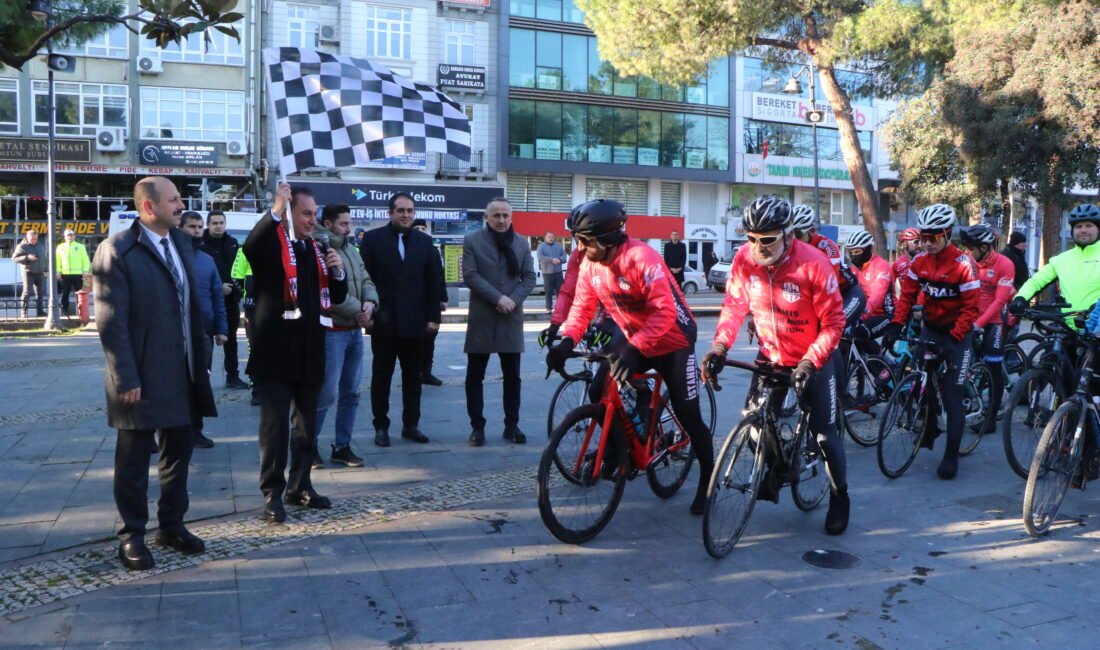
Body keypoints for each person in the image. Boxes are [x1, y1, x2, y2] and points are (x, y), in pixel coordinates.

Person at [546, 199, 713, 515]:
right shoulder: (591, 264)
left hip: (673, 338)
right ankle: (618, 450)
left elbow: (664, 312)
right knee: (599, 390)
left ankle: (707, 479)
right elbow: (582, 308)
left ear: (606, 240)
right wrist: (566, 341)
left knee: (688, 414)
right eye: (576, 240)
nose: (578, 248)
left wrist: (634, 349)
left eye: (584, 241)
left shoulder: (641, 258)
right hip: (635, 335)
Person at [701, 195, 849, 535]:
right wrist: (720, 346)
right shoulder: (744, 258)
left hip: (813, 358)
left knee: (824, 436)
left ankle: (840, 496)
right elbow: (734, 306)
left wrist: (811, 361)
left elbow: (833, 323)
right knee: (754, 426)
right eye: (751, 238)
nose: (757, 247)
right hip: (771, 355)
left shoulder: (813, 263)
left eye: (767, 239)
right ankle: (779, 465)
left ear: (788, 234)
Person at [92, 176, 217, 570]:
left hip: (182, 371)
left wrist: (201, 359)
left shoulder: (181, 242)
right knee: (133, 461)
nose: (181, 205)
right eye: (174, 199)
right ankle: (132, 535)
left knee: (178, 453)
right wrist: (125, 378)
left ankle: (171, 525)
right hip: (140, 376)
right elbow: (111, 321)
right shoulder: (118, 249)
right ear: (149, 206)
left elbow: (189, 308)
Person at [244, 183, 348, 523]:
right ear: (289, 214)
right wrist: (276, 208)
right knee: (274, 430)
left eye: (314, 214)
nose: (312, 220)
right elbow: (251, 246)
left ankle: (300, 485)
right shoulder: (273, 244)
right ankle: (272, 493)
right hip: (276, 353)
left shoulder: (316, 249)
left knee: (306, 426)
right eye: (305, 213)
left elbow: (337, 295)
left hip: (310, 350)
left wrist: (338, 271)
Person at [882, 204, 981, 480]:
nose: (926, 243)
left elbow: (972, 309)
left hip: (958, 332)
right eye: (923, 237)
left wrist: (955, 338)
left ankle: (951, 455)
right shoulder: (919, 262)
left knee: (952, 394)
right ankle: (929, 423)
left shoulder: (965, 265)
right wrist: (896, 324)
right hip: (931, 328)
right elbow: (907, 296)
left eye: (933, 238)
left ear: (948, 235)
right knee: (919, 380)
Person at [360, 193, 442, 447]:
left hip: (415, 323)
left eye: (410, 211)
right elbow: (365, 279)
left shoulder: (425, 242)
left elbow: (433, 281)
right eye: (401, 210)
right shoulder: (372, 239)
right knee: (381, 377)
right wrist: (367, 314)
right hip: (383, 321)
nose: (406, 215)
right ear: (390, 213)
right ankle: (381, 426)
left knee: (413, 377)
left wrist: (433, 318)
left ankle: (411, 425)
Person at [463, 198, 537, 446]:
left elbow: (529, 277)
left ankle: (511, 425)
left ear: (511, 217)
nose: (501, 220)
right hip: (482, 317)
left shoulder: (522, 242)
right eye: (496, 215)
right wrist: (498, 298)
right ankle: (477, 427)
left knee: (513, 377)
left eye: (505, 215)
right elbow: (470, 275)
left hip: (510, 317)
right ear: (486, 217)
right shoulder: (472, 240)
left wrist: (512, 300)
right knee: (475, 375)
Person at [313, 203, 378, 468]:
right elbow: (327, 292)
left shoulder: (351, 249)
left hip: (353, 332)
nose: (349, 228)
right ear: (328, 224)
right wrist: (359, 312)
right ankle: (308, 445)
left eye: (349, 223)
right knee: (325, 393)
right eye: (344, 224)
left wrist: (370, 303)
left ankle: (342, 446)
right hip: (332, 332)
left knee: (351, 392)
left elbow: (365, 280)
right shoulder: (319, 248)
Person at [959, 224, 1015, 429]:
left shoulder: (1005, 264)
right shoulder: (967, 261)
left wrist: (978, 324)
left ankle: (990, 418)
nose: (967, 252)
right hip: (970, 317)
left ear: (984, 247)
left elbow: (1000, 301)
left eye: (971, 248)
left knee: (993, 367)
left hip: (994, 320)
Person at [181, 211, 227, 449]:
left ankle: (195, 430)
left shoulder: (207, 260)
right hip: (176, 333)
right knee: (174, 384)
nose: (197, 231)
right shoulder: (172, 256)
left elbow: (217, 296)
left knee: (200, 383)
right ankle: (165, 431)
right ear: (180, 229)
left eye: (200, 227)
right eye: (192, 226)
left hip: (204, 333)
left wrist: (221, 328)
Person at [1010, 204, 1100, 323]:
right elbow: (1036, 281)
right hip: (1067, 328)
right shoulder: (1061, 260)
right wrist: (1020, 298)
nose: (1083, 230)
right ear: (1072, 230)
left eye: (1089, 226)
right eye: (1079, 226)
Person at [201, 210, 248, 389]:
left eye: (221, 223)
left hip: (230, 300)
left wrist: (237, 290)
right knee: (206, 341)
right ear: (208, 225)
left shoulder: (232, 243)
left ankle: (233, 376)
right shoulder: (200, 243)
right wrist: (218, 288)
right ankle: (204, 378)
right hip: (208, 299)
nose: (218, 226)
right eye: (215, 223)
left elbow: (238, 270)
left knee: (231, 339)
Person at [412, 219, 447, 387]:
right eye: (417, 228)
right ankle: (414, 372)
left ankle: (426, 372)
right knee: (414, 340)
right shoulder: (406, 248)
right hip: (413, 302)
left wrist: (443, 298)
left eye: (422, 228)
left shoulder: (432, 250)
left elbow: (440, 275)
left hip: (431, 301)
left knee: (430, 337)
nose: (420, 230)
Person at [846, 229, 894, 338]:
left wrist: (862, 314)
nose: (853, 256)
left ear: (868, 249)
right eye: (850, 252)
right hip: (866, 313)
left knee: (860, 333)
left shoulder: (881, 266)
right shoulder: (854, 268)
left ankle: (878, 351)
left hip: (886, 314)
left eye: (857, 252)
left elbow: (877, 295)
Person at [230, 246, 260, 405]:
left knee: (255, 348)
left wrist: (247, 295)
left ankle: (259, 389)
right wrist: (246, 294)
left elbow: (236, 278)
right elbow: (236, 277)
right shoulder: (245, 250)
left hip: (255, 305)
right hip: (257, 306)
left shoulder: (245, 249)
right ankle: (259, 389)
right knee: (257, 347)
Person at [56, 228, 90, 316]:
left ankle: (81, 312)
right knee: (65, 293)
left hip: (78, 274)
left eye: (71, 235)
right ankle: (65, 312)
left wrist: (85, 271)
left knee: (79, 294)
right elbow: (57, 261)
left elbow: (85, 260)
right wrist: (58, 272)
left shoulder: (80, 246)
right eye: (68, 236)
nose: (69, 237)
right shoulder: (60, 247)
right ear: (64, 237)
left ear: (74, 236)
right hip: (65, 274)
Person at [13, 230, 47, 318]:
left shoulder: (39, 246)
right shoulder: (22, 246)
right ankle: (24, 312)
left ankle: (40, 311)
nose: (34, 241)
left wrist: (46, 270)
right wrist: (27, 258)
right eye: (32, 239)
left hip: (40, 272)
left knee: (40, 293)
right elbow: (14, 258)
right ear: (27, 237)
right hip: (28, 272)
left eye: (35, 239)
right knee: (27, 292)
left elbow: (44, 258)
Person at [537, 231, 567, 313]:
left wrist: (560, 259)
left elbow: (564, 255)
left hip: (558, 272)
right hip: (547, 273)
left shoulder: (558, 246)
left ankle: (560, 308)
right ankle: (549, 308)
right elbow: (540, 257)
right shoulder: (541, 246)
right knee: (548, 291)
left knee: (560, 291)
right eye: (549, 237)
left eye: (552, 237)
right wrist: (551, 259)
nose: (551, 238)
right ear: (545, 238)